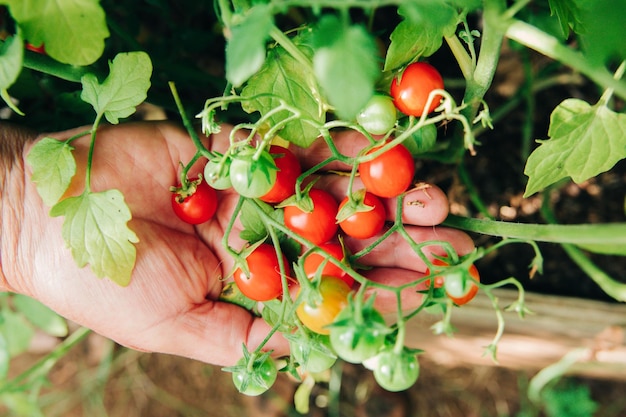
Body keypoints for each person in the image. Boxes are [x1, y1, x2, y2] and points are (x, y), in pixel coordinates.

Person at [0, 120, 475, 367]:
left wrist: (18, 203)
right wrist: (18, 215)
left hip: (288, 253)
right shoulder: (282, 253)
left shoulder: (279, 256)